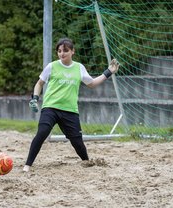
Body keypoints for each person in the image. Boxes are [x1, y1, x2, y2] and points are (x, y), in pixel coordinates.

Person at [23, 38, 119, 172]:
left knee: (77, 142)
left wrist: (108, 72)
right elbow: (39, 83)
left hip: (70, 111)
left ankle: (86, 161)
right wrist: (34, 98)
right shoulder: (52, 66)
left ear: (72, 51)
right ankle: (27, 166)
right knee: (42, 133)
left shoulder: (79, 67)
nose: (62, 54)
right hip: (50, 108)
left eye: (65, 51)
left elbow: (91, 83)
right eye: (59, 51)